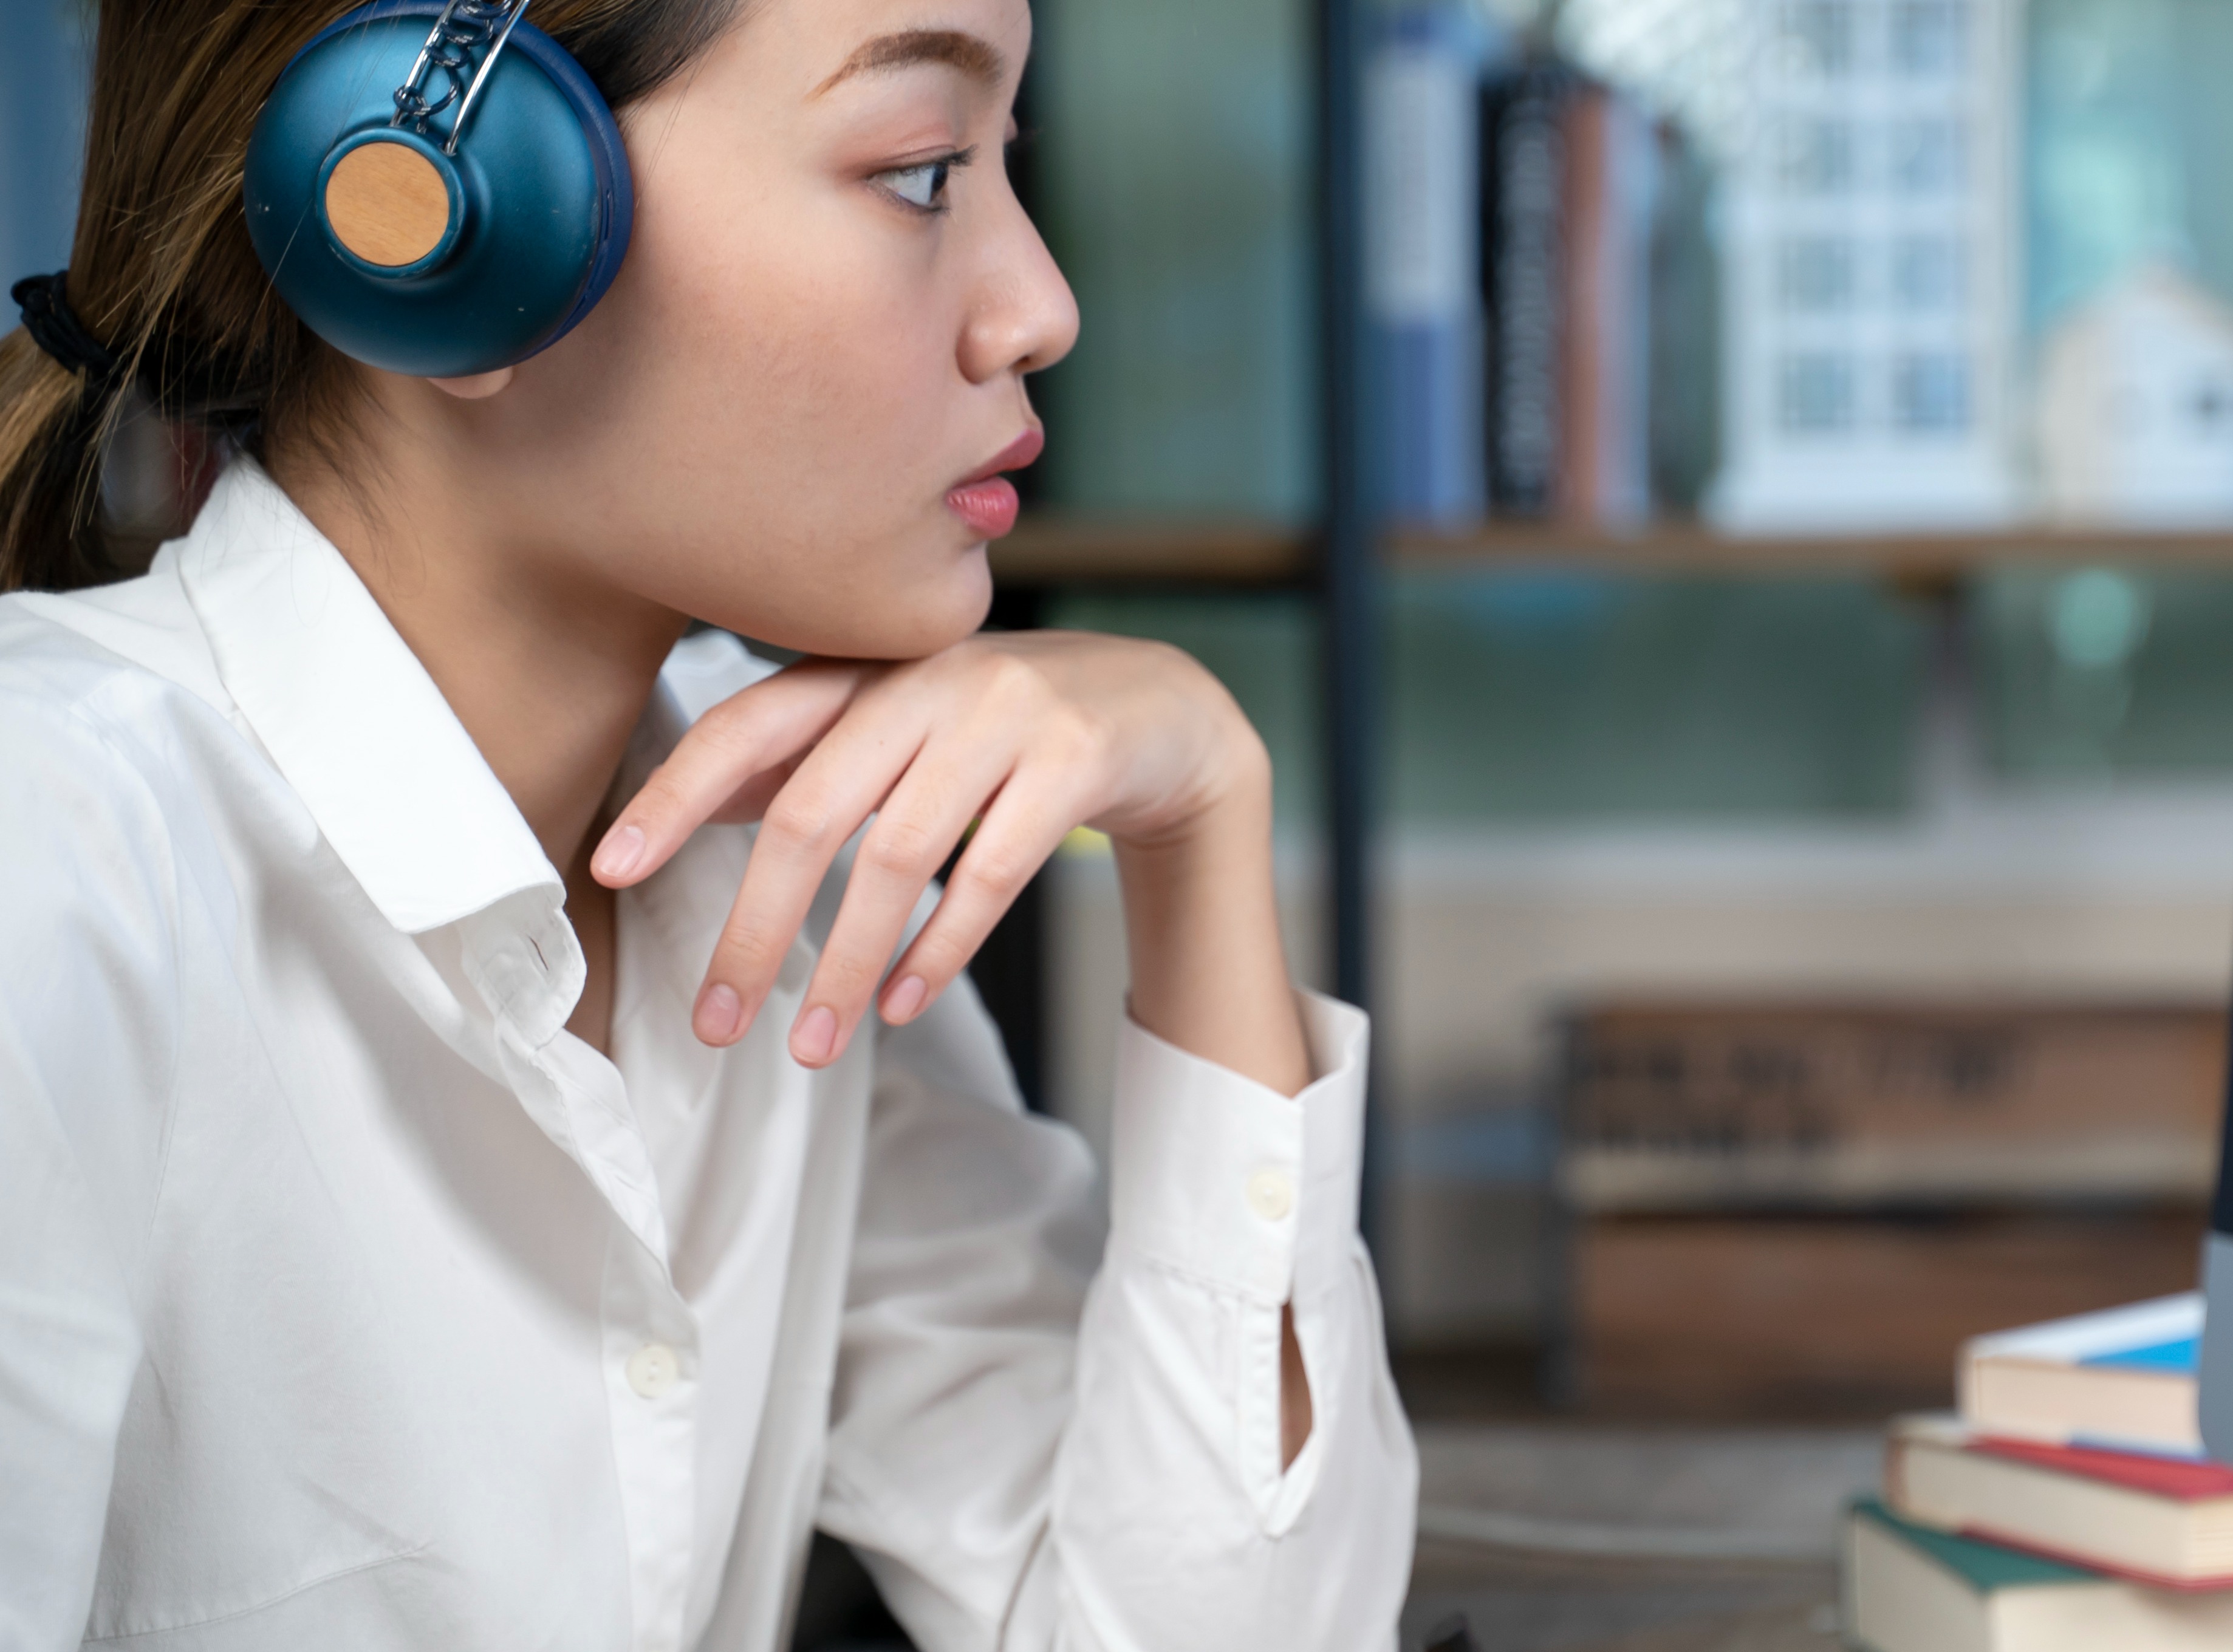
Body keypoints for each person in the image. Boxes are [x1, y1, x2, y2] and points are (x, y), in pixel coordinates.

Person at [0, 0, 1417, 1645]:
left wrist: (1200, 818)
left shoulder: (790, 864)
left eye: (1003, 158)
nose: (1041, 308)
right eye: (922, 171)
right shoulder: (56, 858)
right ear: (435, 212)